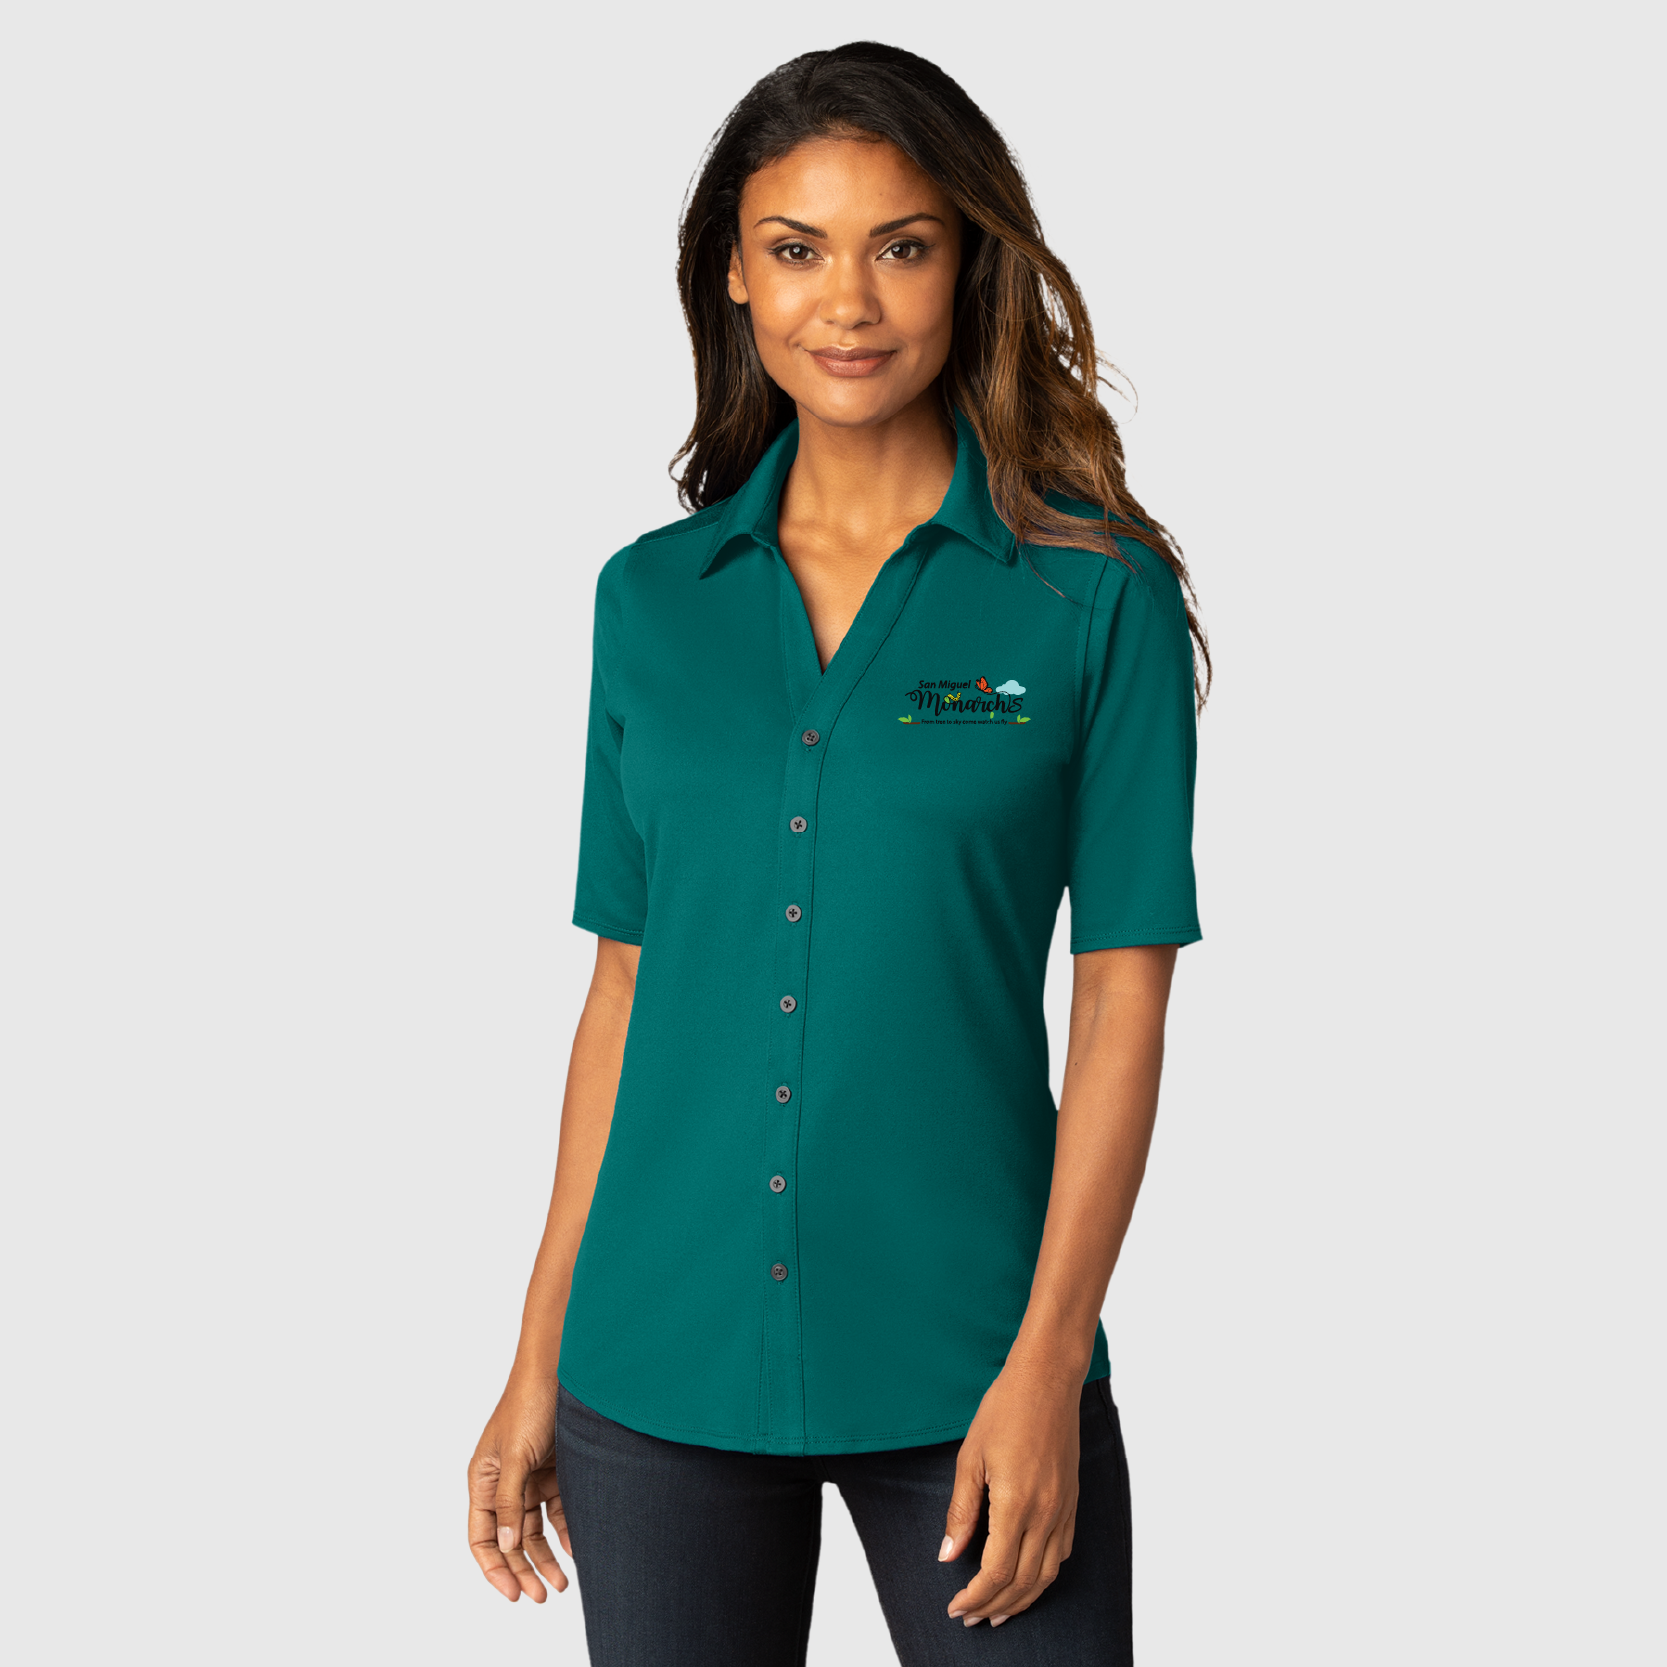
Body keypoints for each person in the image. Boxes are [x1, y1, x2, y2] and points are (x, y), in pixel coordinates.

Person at [467, 40, 1206, 1666]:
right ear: (733, 274)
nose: (848, 301)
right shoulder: (649, 599)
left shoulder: (1093, 596)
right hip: (653, 1358)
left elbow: (1120, 1003)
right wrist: (536, 1354)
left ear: (967, 263)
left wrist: (1047, 1363)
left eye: (902, 245)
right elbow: (622, 994)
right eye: (796, 249)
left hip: (972, 1360)